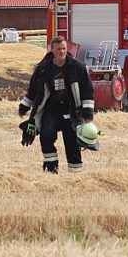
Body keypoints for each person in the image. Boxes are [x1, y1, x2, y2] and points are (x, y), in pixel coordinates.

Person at [18, 36, 95, 173]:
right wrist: (25, 106)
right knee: (46, 136)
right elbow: (33, 90)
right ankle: (51, 168)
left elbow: (87, 91)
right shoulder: (43, 69)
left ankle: (75, 173)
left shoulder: (78, 67)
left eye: (64, 48)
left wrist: (87, 112)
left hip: (72, 110)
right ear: (52, 50)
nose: (62, 51)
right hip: (51, 110)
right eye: (59, 49)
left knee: (72, 141)